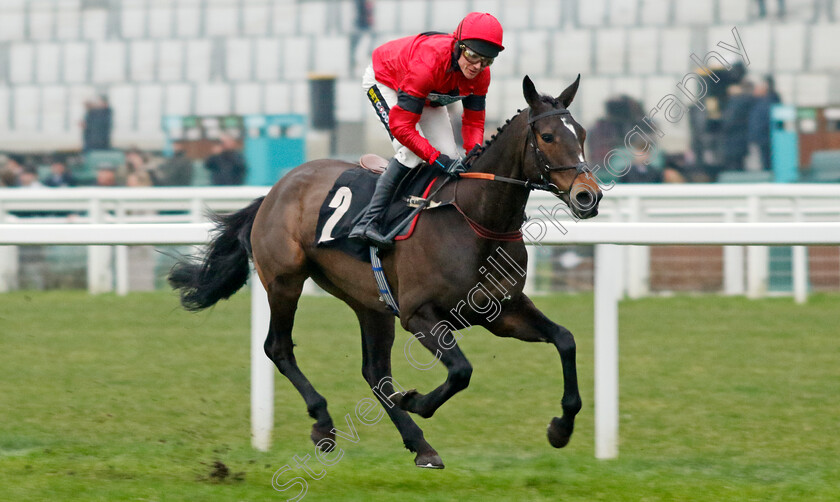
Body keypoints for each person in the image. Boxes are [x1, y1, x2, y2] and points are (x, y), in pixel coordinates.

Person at [349, 12, 504, 246]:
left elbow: (473, 122)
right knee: (412, 152)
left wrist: (474, 155)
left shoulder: (480, 75)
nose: (477, 66)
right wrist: (435, 158)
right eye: (472, 56)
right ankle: (367, 222)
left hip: (429, 95)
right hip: (386, 81)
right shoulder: (429, 62)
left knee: (453, 158)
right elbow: (402, 127)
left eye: (486, 60)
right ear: (458, 46)